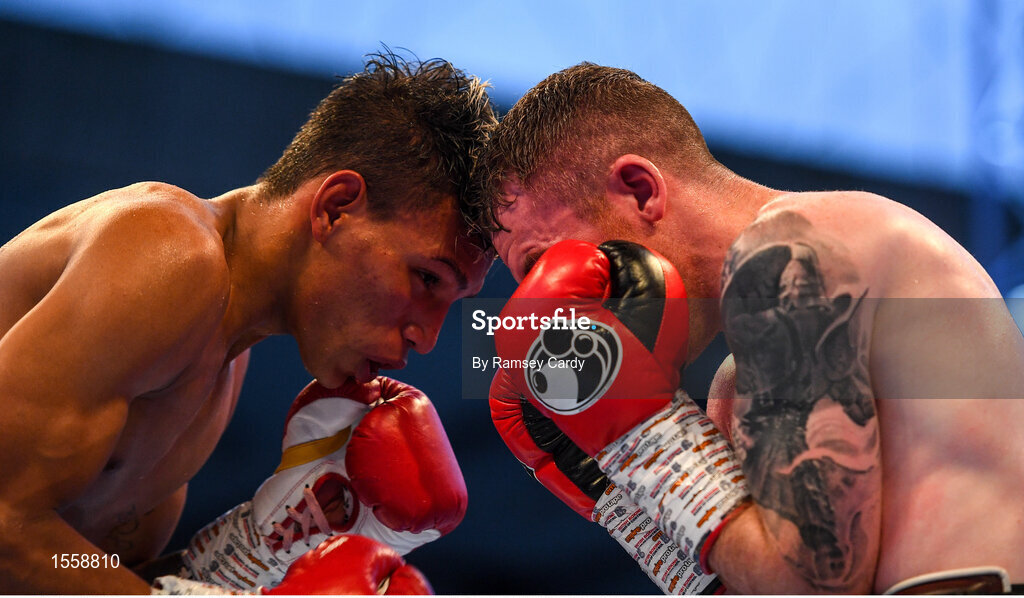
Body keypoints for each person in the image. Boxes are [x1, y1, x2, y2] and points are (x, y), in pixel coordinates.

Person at [469, 63, 1024, 594]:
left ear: (640, 190)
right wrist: (625, 503)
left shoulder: (793, 248)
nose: (558, 320)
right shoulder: (739, 381)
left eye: (544, 267)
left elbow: (811, 582)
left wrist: (636, 437)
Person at [0, 52, 495, 594]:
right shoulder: (167, 255)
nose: (428, 337)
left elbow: (79, 571)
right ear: (336, 206)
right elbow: (6, 529)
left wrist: (255, 552)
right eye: (426, 279)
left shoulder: (225, 359)